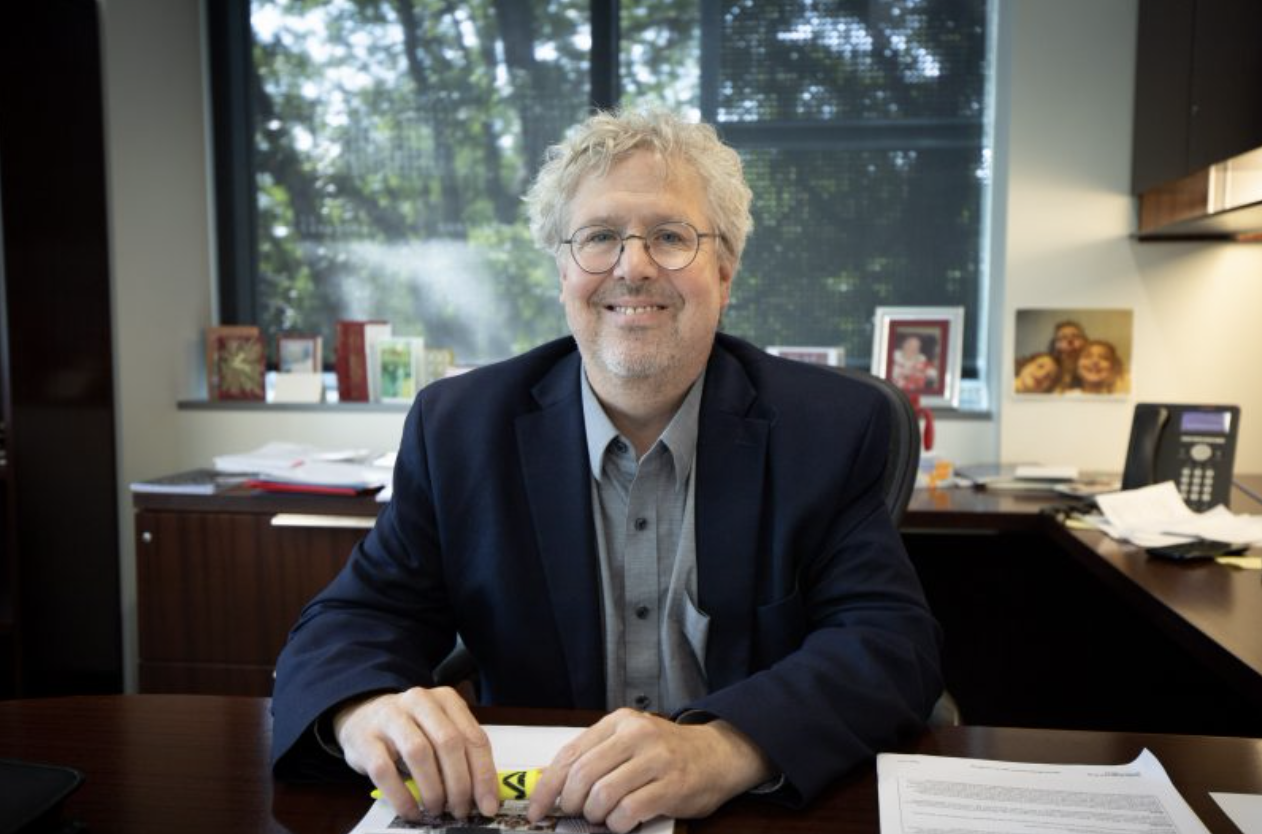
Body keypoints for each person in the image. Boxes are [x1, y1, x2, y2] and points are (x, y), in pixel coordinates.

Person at [270, 107, 943, 833]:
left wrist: (725, 748)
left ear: (725, 270)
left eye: (670, 236)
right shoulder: (460, 428)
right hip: (538, 808)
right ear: (564, 269)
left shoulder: (827, 427)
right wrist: (363, 708)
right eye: (599, 237)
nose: (633, 265)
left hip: (741, 814)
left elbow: (889, 643)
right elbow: (354, 618)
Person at [1047, 320, 1087, 392]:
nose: (1070, 340)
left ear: (1085, 342)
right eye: (1063, 337)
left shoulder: (1093, 370)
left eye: (1076, 336)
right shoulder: (1048, 371)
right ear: (1055, 345)